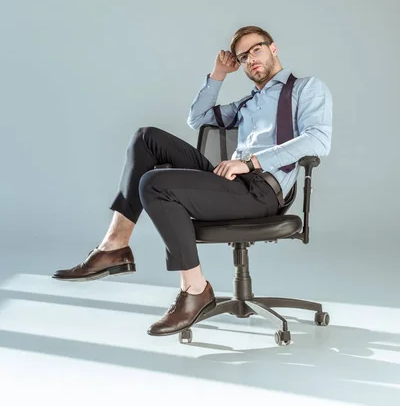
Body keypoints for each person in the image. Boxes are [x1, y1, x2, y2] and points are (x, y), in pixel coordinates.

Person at [53, 25, 333, 337]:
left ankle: (195, 289)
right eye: (243, 57)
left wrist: (251, 162)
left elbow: (317, 141)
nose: (250, 59)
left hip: (262, 192)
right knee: (146, 138)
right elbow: (198, 119)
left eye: (256, 49)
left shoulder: (307, 88)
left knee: (154, 183)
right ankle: (114, 247)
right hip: (231, 185)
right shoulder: (246, 104)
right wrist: (218, 74)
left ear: (273, 48)